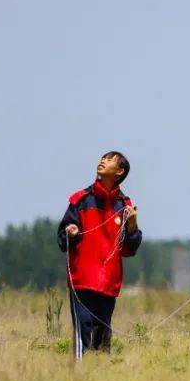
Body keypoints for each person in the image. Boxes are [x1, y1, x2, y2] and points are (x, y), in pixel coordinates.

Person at [57, 151, 142, 359]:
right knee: (83, 328)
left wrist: (132, 226)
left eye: (110, 159)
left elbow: (129, 250)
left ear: (120, 171)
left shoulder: (125, 206)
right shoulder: (80, 200)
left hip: (109, 281)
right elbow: (62, 239)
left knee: (103, 334)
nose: (102, 161)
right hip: (82, 279)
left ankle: (102, 374)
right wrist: (71, 232)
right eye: (102, 158)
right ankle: (79, 372)